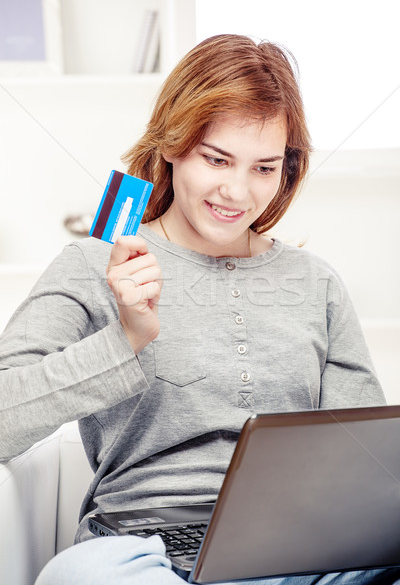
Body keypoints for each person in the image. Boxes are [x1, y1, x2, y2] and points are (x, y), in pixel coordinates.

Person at [0, 34, 398, 585]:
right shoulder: (93, 264)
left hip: (294, 554)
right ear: (172, 144)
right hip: (140, 550)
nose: (238, 192)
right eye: (217, 159)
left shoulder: (316, 283)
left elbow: (367, 466)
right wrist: (126, 341)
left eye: (264, 168)